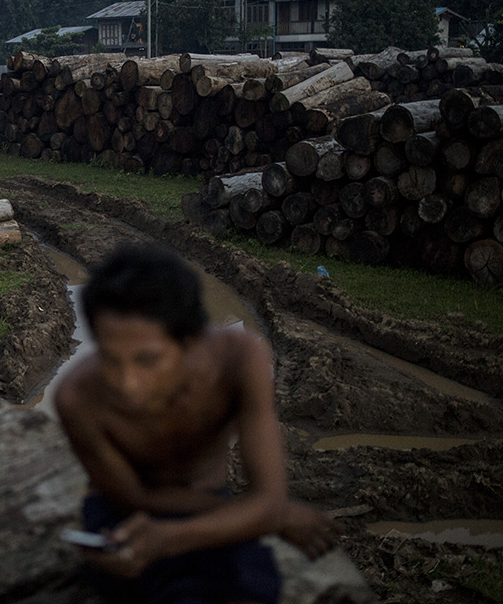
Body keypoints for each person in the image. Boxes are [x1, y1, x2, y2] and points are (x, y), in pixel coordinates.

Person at [55, 242, 339, 603]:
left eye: (148, 360)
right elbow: (135, 496)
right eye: (111, 360)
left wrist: (171, 538)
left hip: (209, 501)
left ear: (191, 341)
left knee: (248, 586)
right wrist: (271, 517)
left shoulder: (240, 361)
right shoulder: (78, 398)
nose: (127, 384)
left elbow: (268, 498)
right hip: (122, 510)